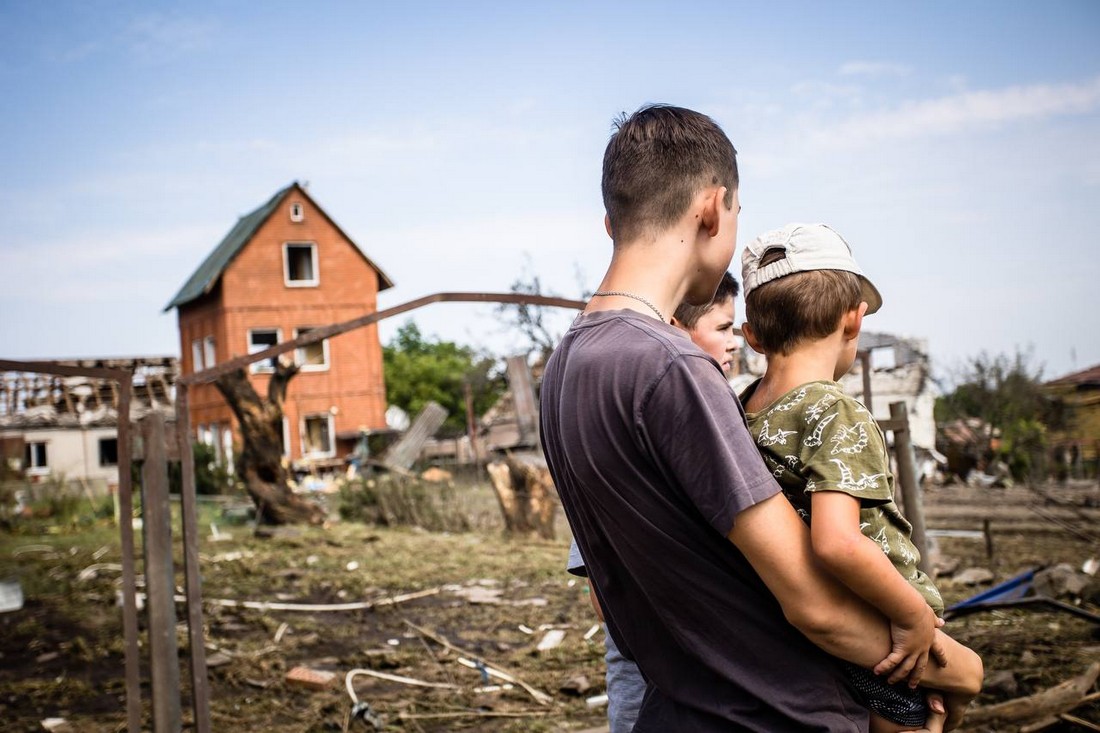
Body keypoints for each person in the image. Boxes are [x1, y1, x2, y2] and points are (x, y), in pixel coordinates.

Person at [538, 104, 982, 731]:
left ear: (613, 219)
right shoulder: (672, 369)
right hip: (770, 712)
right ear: (714, 208)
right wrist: (953, 667)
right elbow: (813, 604)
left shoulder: (565, 367)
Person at [739, 222, 974, 731]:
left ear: (751, 335)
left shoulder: (741, 413)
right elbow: (838, 542)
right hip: (885, 631)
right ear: (854, 320)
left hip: (810, 635)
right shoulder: (834, 411)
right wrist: (912, 616)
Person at [566, 271, 741, 733]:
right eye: (723, 328)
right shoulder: (623, 442)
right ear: (676, 331)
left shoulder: (736, 426)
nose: (736, 343)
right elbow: (606, 599)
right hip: (652, 694)